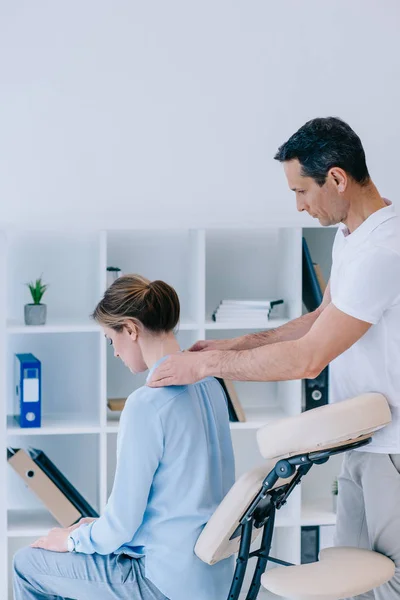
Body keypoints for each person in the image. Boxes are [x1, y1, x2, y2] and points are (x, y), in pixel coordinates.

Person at [148, 117, 400, 599]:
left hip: (392, 449)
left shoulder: (384, 250)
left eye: (301, 191)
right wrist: (231, 346)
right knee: (354, 584)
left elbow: (308, 359)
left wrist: (206, 367)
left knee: (391, 583)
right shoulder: (350, 237)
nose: (299, 205)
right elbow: (319, 319)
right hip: (360, 443)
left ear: (338, 179)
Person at [13, 275, 235, 600]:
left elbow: (120, 527)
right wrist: (92, 530)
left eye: (110, 339)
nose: (114, 352)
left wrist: (72, 540)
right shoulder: (210, 386)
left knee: (27, 564)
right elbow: (182, 502)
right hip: (211, 579)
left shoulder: (147, 404)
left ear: (131, 329)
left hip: (161, 582)